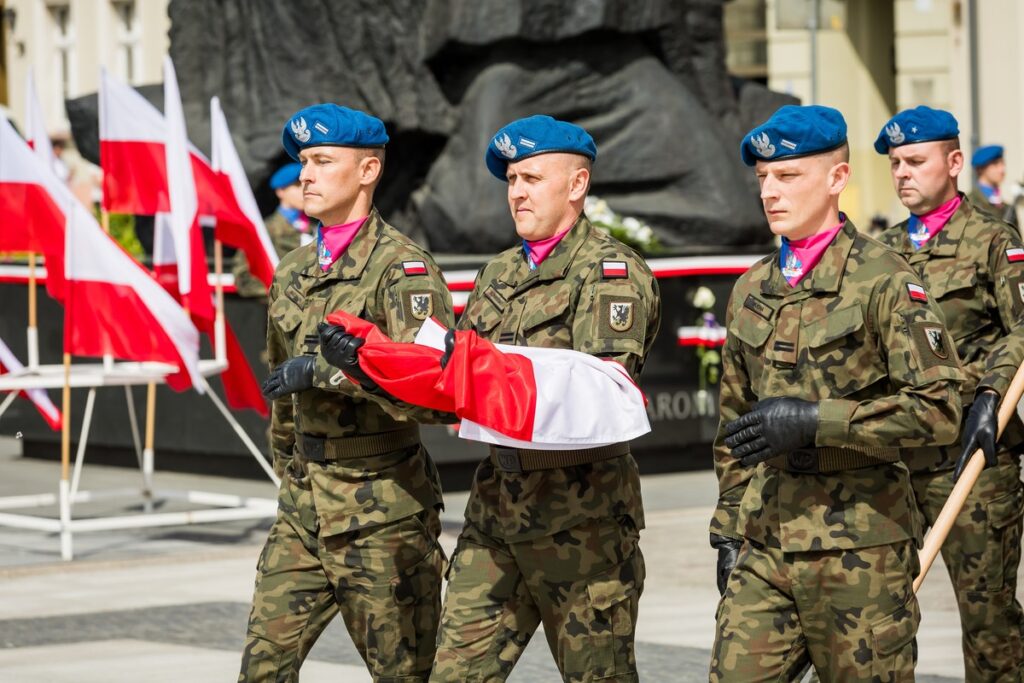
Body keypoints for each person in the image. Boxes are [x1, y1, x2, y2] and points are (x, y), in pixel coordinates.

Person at [709, 104, 965, 681]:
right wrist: (728, 530)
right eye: (763, 178)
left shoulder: (886, 280)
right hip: (766, 544)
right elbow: (734, 425)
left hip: (861, 552)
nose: (770, 191)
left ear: (837, 179)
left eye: (788, 175)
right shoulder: (751, 288)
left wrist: (816, 420)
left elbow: (941, 409)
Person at [424, 114, 659, 682]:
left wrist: (486, 377)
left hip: (580, 524)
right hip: (496, 511)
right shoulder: (498, 272)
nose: (518, 192)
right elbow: (459, 383)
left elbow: (600, 395)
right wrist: (384, 366)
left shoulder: (609, 274)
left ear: (576, 184)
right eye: (511, 180)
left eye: (531, 177)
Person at [238, 103, 454, 682]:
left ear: (367, 171)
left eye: (322, 161)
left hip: (381, 510)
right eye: (303, 161)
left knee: (404, 672)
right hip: (304, 507)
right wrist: (290, 473)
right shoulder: (292, 270)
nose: (305, 174)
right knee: (263, 668)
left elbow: (433, 390)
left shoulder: (403, 271)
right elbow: (282, 389)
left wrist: (333, 373)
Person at [875, 106, 1024, 682]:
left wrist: (991, 391)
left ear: (954, 162)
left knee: (989, 619)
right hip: (896, 458)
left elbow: (1022, 328)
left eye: (915, 161)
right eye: (895, 164)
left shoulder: (992, 240)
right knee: (881, 613)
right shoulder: (880, 253)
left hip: (972, 456)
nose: (903, 174)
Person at [232, 162, 314, 298]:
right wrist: (284, 293)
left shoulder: (318, 227)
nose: (304, 190)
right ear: (280, 191)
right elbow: (244, 280)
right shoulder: (265, 230)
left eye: (307, 184)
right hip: (280, 312)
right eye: (297, 185)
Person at [968, 144, 1019, 227]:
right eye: (995, 164)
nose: (1002, 169)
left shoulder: (1007, 208)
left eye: (1003, 163)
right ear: (980, 169)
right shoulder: (969, 203)